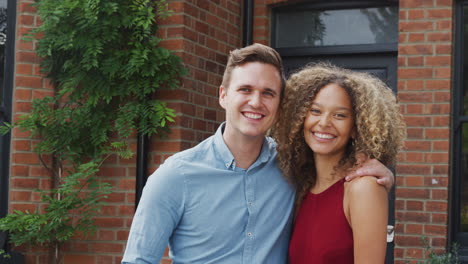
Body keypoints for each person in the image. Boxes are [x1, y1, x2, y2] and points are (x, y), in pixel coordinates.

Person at [122, 44, 394, 264]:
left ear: (280, 104)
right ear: (223, 96)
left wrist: (383, 177)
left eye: (268, 93)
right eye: (245, 90)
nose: (256, 102)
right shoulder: (176, 175)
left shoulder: (290, 167)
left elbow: (341, 194)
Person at [273, 64, 406, 264]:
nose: (325, 122)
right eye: (315, 111)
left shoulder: (363, 188)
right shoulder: (301, 188)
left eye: (340, 115)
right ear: (301, 119)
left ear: (356, 128)